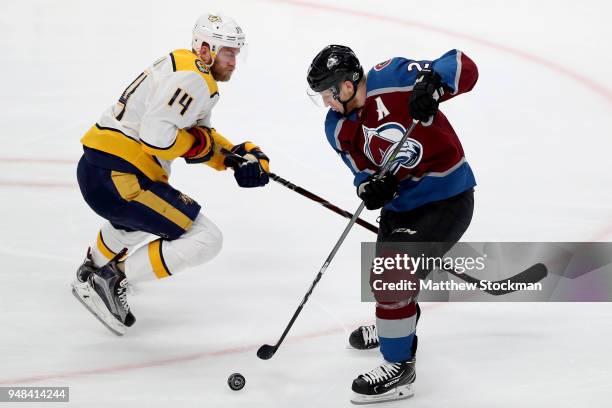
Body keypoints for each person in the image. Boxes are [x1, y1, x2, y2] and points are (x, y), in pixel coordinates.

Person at [72, 13, 270, 336]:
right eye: (227, 52)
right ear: (205, 50)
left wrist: (234, 156)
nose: (234, 61)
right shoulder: (194, 80)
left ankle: (90, 269)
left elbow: (194, 137)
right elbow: (156, 137)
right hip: (121, 178)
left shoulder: (182, 64)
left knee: (134, 224)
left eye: (236, 52)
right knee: (207, 238)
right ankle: (111, 278)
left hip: (99, 169)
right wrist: (199, 144)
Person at [306, 45, 478, 404]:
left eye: (328, 94)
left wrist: (431, 84)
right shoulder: (336, 127)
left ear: (348, 85)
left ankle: (399, 368)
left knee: (391, 275)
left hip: (446, 196)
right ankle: (393, 330)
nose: (326, 103)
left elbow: (464, 66)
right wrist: (371, 187)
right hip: (401, 208)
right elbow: (362, 173)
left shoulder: (394, 77)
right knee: (388, 278)